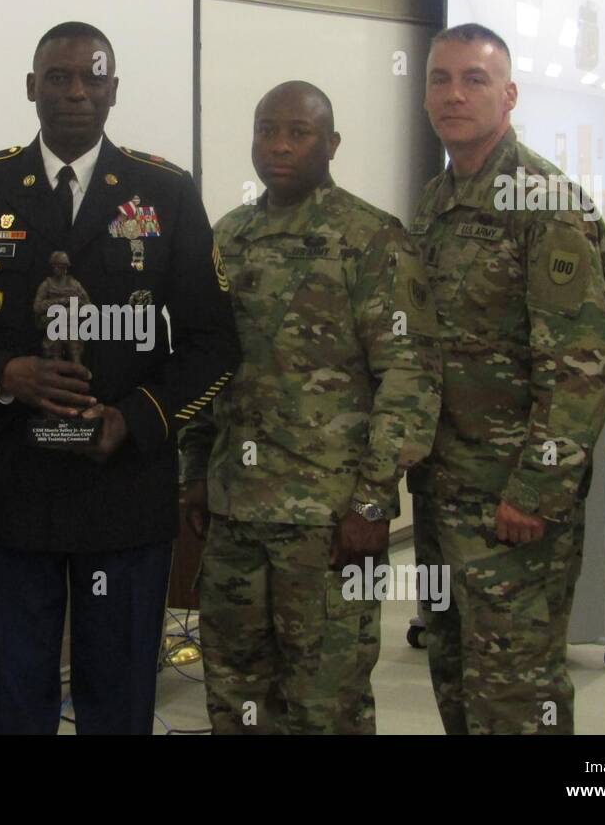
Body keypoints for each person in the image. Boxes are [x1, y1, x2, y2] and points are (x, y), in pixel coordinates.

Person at [0, 21, 240, 734]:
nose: (76, 93)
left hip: (122, 494)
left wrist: (137, 417)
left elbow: (213, 342)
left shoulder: (166, 193)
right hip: (7, 494)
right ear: (32, 88)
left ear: (113, 90)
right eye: (59, 78)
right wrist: (6, 374)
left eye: (93, 78)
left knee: (119, 703)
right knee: (7, 705)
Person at [181, 81, 441, 734]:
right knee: (236, 695)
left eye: (298, 132)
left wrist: (374, 502)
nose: (279, 146)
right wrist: (193, 474)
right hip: (235, 511)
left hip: (327, 521)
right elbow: (206, 367)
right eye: (267, 129)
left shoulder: (372, 240)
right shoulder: (229, 237)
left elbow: (408, 374)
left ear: (332, 144)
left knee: (328, 701)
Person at [408, 23, 605, 734]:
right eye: (440, 79)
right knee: (456, 675)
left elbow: (581, 365)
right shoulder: (433, 205)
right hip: (442, 490)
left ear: (510, 95)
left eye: (474, 79)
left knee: (518, 694)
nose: (454, 94)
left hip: (512, 503)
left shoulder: (547, 204)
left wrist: (536, 490)